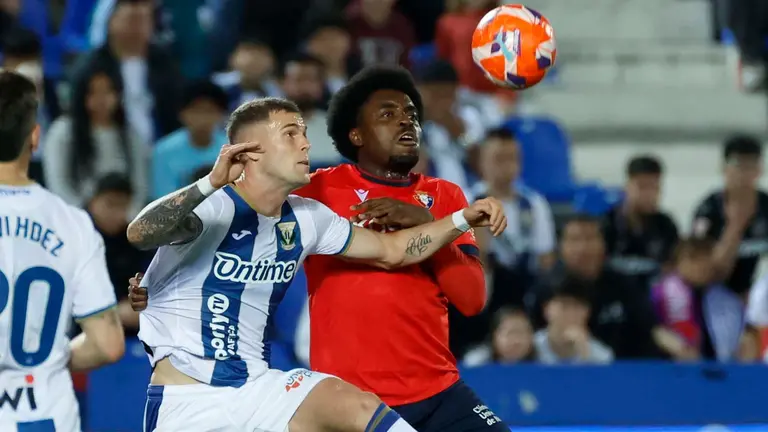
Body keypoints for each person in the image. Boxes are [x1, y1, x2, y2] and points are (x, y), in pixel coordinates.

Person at [130, 67, 510, 431]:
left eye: (411, 113)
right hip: (199, 396)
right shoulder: (276, 197)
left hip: (410, 388)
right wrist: (158, 280)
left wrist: (447, 220)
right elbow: (146, 232)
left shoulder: (321, 214)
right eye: (291, 134)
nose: (307, 143)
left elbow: (412, 262)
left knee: (352, 404)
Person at [0, 71, 125, 431]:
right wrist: (52, 356)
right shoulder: (73, 223)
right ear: (35, 136)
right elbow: (107, 345)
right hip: (43, 416)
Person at [692, 135, 768, 298]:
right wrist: (735, 226)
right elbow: (706, 273)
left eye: (751, 166)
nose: (744, 174)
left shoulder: (765, 206)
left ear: (759, 170)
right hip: (716, 296)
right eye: (738, 166)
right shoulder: (708, 211)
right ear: (724, 168)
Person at [602, 155, 679, 291]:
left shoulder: (666, 226)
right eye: (642, 187)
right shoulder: (607, 223)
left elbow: (673, 269)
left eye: (654, 188)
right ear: (627, 186)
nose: (649, 194)